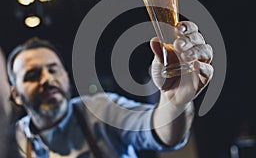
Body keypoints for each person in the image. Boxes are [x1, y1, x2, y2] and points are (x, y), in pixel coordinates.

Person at [7, 21, 213, 158]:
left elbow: (160, 132)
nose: (47, 79)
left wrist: (175, 102)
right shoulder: (11, 140)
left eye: (53, 70)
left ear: (66, 77)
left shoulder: (101, 109)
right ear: (15, 94)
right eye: (32, 76)